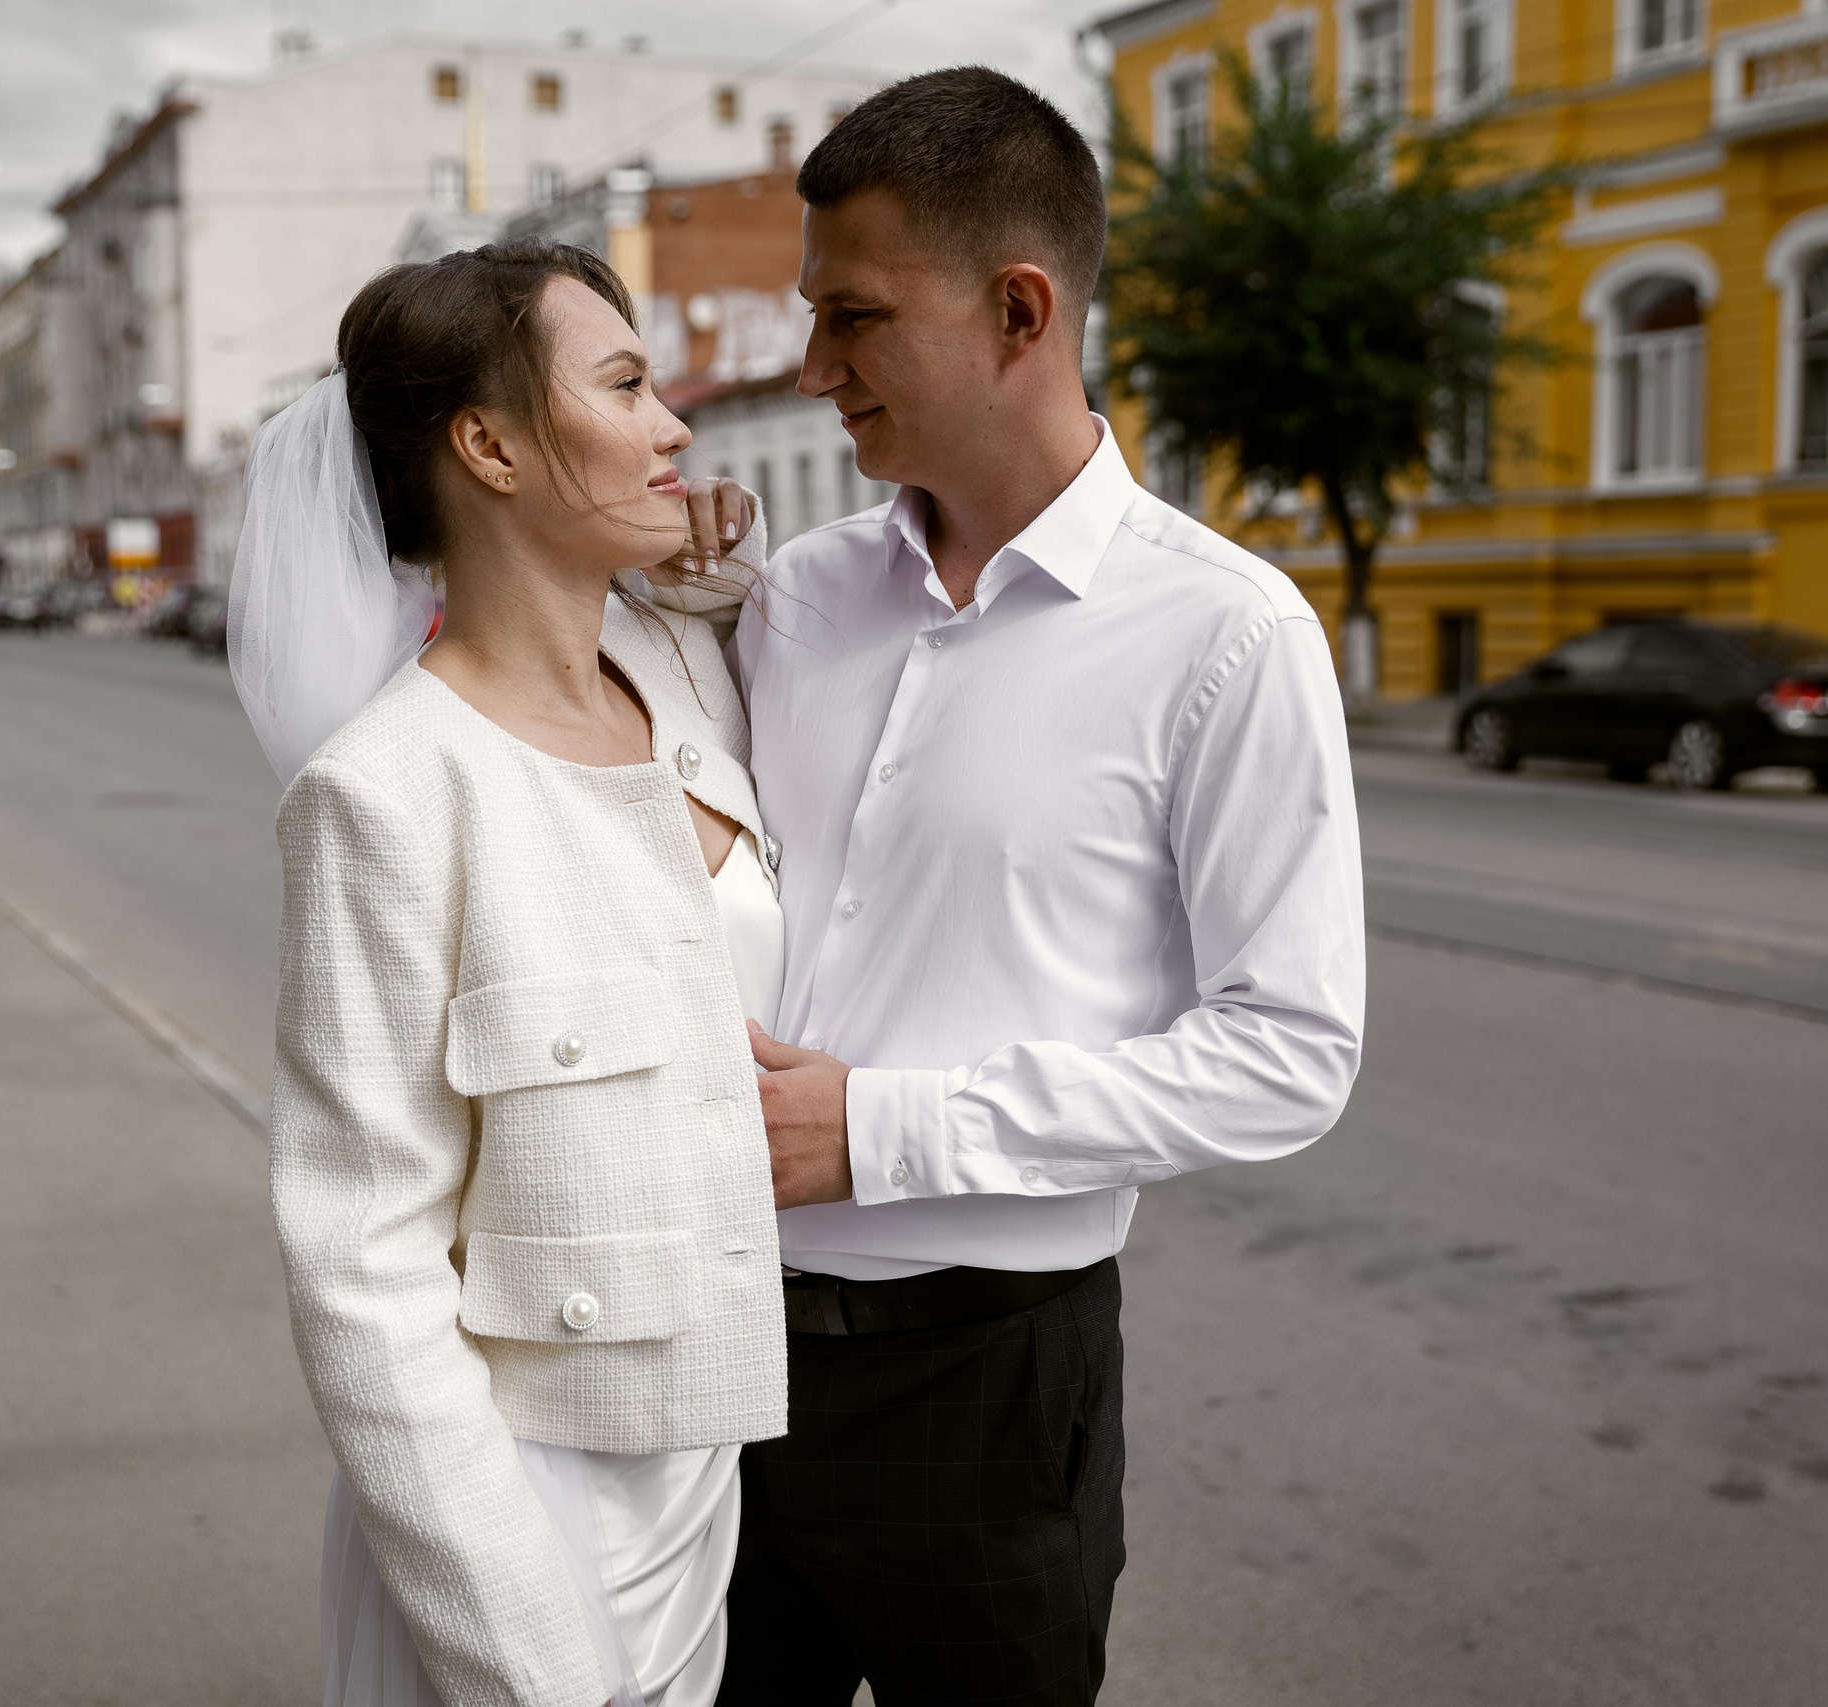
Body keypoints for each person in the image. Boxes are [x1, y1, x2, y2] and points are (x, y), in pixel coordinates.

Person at [699, 69, 1369, 1707]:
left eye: (853, 318)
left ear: (1019, 310)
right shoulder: (784, 598)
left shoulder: (1227, 634)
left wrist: (883, 1128)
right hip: (715, 1346)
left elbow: (1291, 1052)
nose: (814, 367)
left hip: (986, 1385)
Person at [228, 240, 781, 1707]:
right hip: (528, 1512)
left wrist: (689, 544)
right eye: (625, 383)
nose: (675, 425)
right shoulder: (389, 791)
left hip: (701, 1491)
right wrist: (524, 1652)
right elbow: (362, 1265)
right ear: (485, 443)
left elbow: (752, 589)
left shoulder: (681, 677)